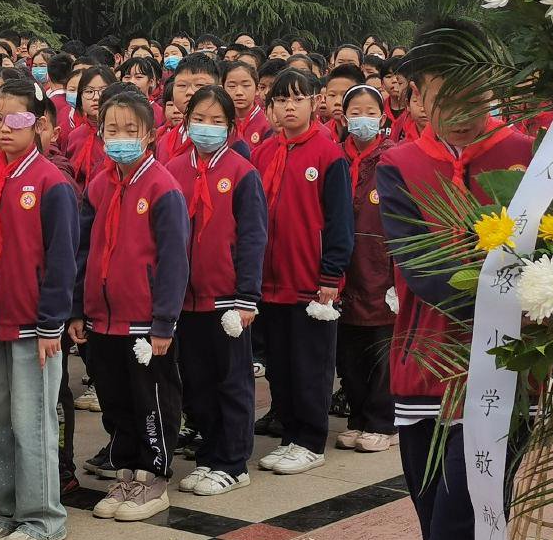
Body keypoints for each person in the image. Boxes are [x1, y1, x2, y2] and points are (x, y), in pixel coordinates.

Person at [378, 20, 536, 540]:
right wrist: (508, 279)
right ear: (417, 94)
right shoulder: (400, 165)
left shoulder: (528, 157)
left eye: (474, 89)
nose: (460, 107)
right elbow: (428, 271)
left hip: (503, 385)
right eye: (442, 92)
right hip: (422, 379)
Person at [71, 87, 188, 521]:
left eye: (130, 130)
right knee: (115, 399)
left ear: (151, 135)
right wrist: (77, 309)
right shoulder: (100, 185)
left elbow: (174, 259)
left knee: (152, 399)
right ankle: (126, 472)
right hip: (103, 318)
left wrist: (163, 322)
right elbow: (83, 250)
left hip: (145, 321)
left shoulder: (163, 188)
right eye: (112, 129)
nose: (120, 137)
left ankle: (154, 475)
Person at [0, 83, 77, 540]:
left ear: (37, 124)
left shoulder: (53, 183)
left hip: (34, 325)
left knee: (31, 423)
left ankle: (43, 516)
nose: (5, 128)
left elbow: (62, 260)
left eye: (17, 120)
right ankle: (6, 509)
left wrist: (52, 322)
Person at [167, 84, 267, 496]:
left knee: (232, 380)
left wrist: (246, 297)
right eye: (199, 120)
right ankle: (210, 453)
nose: (206, 128)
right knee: (197, 380)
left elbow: (252, 238)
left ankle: (232, 460)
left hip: (226, 299)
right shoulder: (172, 169)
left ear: (231, 126)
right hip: (185, 299)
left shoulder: (242, 173)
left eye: (216, 121)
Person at [252, 70, 353, 475]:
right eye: (281, 99)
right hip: (269, 281)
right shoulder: (263, 153)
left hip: (310, 282)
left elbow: (339, 222)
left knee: (310, 363)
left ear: (315, 102)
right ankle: (290, 433)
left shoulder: (328, 155)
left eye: (297, 98)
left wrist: (331, 275)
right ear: (272, 106)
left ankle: (310, 440)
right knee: (280, 363)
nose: (289, 106)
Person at [334, 83, 396, 453]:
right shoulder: (335, 157)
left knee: (381, 347)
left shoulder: (392, 159)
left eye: (371, 112)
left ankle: (382, 421)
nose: (363, 119)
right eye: (356, 111)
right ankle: (357, 418)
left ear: (382, 116)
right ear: (343, 116)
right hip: (346, 266)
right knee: (349, 350)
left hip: (380, 264)